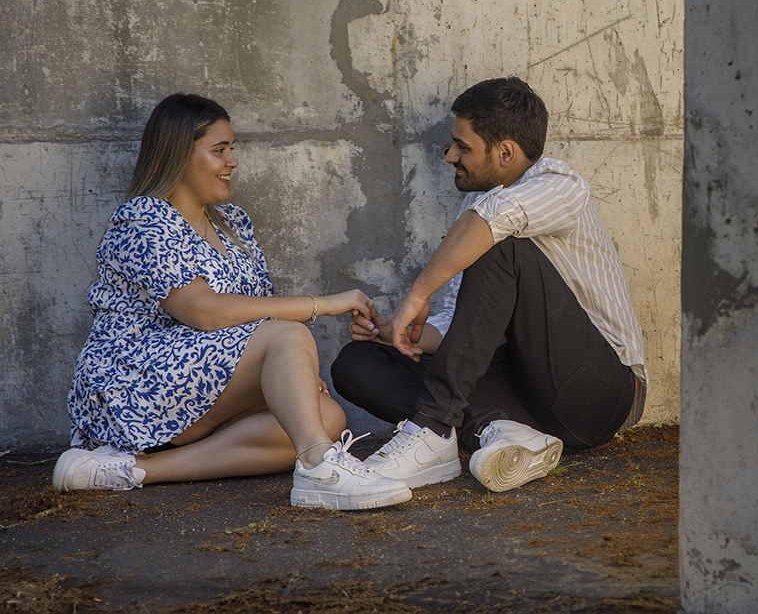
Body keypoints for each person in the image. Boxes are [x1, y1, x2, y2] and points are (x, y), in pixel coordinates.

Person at [53, 93, 411, 511]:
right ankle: (319, 469)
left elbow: (253, 318)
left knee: (326, 419)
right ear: (178, 155)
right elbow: (205, 312)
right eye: (219, 150)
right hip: (133, 384)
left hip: (198, 383)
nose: (233, 161)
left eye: (232, 149)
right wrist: (324, 305)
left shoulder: (232, 225)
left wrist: (288, 373)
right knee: (289, 339)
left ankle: (127, 471)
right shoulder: (143, 219)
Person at [332, 76, 647, 494]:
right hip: (527, 396)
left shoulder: (562, 186)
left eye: (463, 146)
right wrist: (402, 333)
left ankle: (432, 429)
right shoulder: (475, 209)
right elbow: (458, 325)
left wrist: (417, 294)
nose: (450, 156)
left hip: (601, 395)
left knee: (498, 244)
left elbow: (497, 220)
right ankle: (502, 432)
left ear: (505, 152)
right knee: (358, 363)